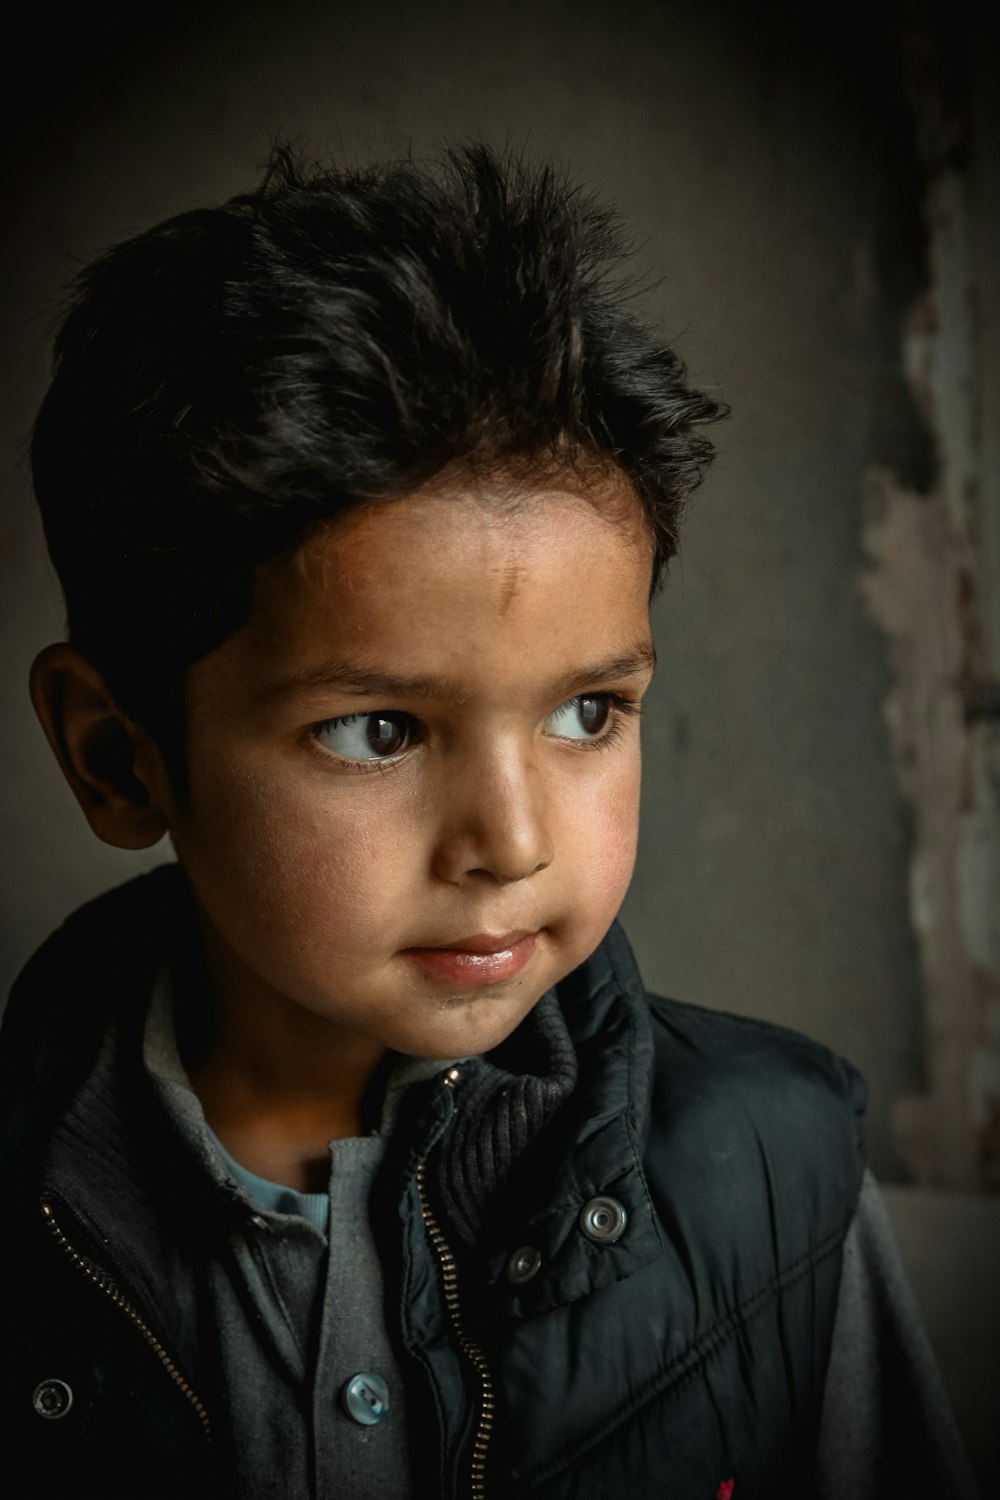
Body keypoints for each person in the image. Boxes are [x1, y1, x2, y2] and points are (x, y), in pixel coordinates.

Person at [2, 144, 978, 1500]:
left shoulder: (777, 1166)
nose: (511, 844)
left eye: (588, 713)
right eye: (379, 731)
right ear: (121, 760)